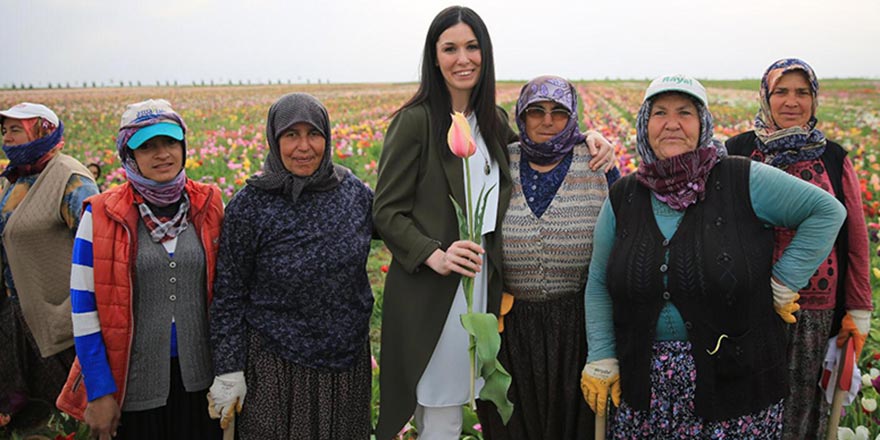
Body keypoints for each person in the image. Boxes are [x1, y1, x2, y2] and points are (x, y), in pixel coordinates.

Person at [372, 7, 615, 439]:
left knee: (470, 397)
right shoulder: (415, 123)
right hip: (436, 286)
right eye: (450, 49)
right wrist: (433, 253)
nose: (462, 58)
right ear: (434, 58)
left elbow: (544, 144)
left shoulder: (493, 123)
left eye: (472, 47)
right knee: (441, 408)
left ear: (485, 54)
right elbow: (386, 211)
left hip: (484, 289)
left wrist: (589, 138)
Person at [581, 75, 847, 439]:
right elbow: (598, 282)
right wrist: (601, 355)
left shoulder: (741, 179)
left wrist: (784, 281)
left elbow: (826, 211)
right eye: (659, 113)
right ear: (645, 124)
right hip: (645, 389)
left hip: (736, 385)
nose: (672, 123)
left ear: (703, 122)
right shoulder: (624, 197)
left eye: (685, 113)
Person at [208, 93, 374, 439]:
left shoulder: (353, 193)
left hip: (345, 362)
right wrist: (229, 369)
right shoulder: (251, 205)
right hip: (276, 364)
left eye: (313, 134)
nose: (304, 146)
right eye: (291, 135)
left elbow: (400, 229)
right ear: (274, 139)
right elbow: (229, 294)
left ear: (327, 138)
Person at [56, 99, 224, 440]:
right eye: (147, 147)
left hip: (202, 381)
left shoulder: (209, 202)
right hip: (133, 382)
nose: (162, 154)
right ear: (129, 156)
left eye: (170, 142)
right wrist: (100, 391)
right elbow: (84, 309)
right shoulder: (101, 214)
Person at [725, 58, 872, 440]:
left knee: (803, 406)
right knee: (747, 401)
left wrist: (858, 309)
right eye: (781, 91)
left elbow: (855, 239)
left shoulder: (833, 157)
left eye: (802, 92)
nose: (792, 101)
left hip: (815, 310)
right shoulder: (737, 150)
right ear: (766, 96)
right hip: (747, 303)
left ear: (813, 99)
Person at [475, 75, 608, 439]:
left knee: (574, 425)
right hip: (513, 326)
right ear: (521, 115)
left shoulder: (597, 163)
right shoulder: (501, 163)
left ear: (573, 116)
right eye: (536, 111)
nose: (547, 121)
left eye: (559, 112)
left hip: (578, 326)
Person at [0, 103, 98, 427]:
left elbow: (95, 247)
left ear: (42, 130)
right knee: (31, 418)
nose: (8, 138)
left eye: (16, 129)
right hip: (16, 318)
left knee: (67, 419)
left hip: (61, 322)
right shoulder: (14, 178)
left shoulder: (69, 178)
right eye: (5, 131)